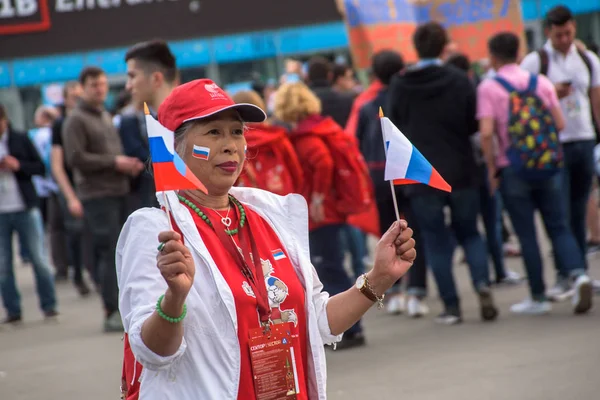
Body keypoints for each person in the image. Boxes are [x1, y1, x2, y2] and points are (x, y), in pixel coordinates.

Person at [116, 79, 417, 399]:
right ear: (174, 146)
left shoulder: (271, 214)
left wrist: (379, 277)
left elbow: (318, 321)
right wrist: (174, 300)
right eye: (213, 132)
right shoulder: (156, 229)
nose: (231, 144)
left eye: (237, 131)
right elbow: (152, 353)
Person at [387, 22, 498, 325]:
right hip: (461, 170)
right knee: (470, 232)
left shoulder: (400, 85)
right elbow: (473, 123)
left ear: (416, 48)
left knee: (435, 240)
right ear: (443, 45)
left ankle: (451, 307)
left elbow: (394, 127)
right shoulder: (460, 79)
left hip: (421, 174)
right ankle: (481, 284)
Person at [477, 32, 593, 314]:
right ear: (519, 53)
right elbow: (560, 123)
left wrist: (493, 168)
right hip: (549, 166)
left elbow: (487, 132)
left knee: (527, 234)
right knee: (558, 225)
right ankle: (578, 275)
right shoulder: (540, 82)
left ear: (492, 57)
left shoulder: (489, 87)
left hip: (513, 169)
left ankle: (538, 297)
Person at [521, 6, 600, 298]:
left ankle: (579, 271)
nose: (564, 39)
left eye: (568, 33)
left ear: (574, 29)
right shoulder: (534, 61)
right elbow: (524, 105)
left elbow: (596, 99)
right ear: (548, 32)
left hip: (583, 139)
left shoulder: (587, 58)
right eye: (558, 35)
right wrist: (550, 92)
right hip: (550, 146)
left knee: (579, 209)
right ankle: (565, 273)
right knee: (559, 212)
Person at [63, 66, 143, 332]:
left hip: (118, 191)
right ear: (82, 87)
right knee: (109, 252)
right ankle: (111, 311)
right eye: (95, 85)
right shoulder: (76, 119)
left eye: (103, 84)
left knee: (123, 253)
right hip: (97, 195)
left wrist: (124, 165)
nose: (100, 89)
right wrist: (114, 162)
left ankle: (121, 307)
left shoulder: (104, 114)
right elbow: (74, 158)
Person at [356, 49, 430, 317]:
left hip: (379, 178)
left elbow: (359, 144)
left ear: (374, 74)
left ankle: (396, 292)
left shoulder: (367, 106)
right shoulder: (411, 102)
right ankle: (417, 292)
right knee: (414, 233)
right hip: (410, 176)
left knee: (389, 235)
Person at [0, 104, 58, 324]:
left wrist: (18, 165)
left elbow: (39, 167)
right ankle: (13, 311)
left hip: (25, 206)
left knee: (39, 259)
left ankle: (49, 306)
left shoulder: (20, 138)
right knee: (4, 265)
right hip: (1, 212)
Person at [121, 40, 179, 211]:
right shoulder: (146, 121)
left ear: (156, 78)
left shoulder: (192, 120)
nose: (128, 86)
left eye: (132, 76)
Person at [51, 81, 92, 295]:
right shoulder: (60, 125)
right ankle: (77, 275)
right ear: (66, 99)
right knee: (75, 232)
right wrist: (69, 196)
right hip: (71, 185)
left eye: (80, 95)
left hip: (91, 184)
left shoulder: (90, 118)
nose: (78, 100)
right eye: (73, 97)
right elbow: (57, 165)